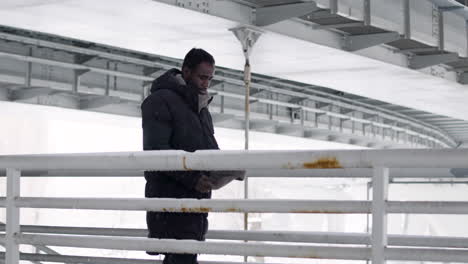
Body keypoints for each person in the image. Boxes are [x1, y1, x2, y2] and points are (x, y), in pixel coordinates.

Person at [141, 48, 244, 264]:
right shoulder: (160, 101)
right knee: (182, 257)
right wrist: (194, 179)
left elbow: (209, 150)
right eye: (202, 77)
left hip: (193, 203)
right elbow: (156, 151)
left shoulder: (199, 106)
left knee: (183, 257)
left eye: (210, 78)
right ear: (186, 72)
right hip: (171, 201)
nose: (206, 83)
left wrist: (232, 168)